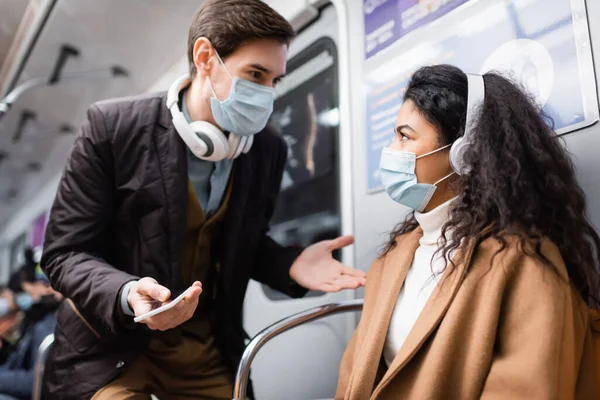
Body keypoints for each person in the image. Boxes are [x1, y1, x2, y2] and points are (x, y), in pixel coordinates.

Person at [41, 1, 366, 399]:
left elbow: (243, 242)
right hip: (112, 346)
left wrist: (289, 263)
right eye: (255, 74)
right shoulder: (114, 128)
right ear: (205, 57)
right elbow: (65, 252)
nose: (267, 94)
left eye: (275, 81)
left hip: (203, 346)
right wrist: (127, 293)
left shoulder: (266, 150)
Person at [336, 64, 600, 399]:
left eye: (405, 136)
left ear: (464, 152)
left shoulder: (522, 262)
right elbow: (354, 372)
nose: (391, 151)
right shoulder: (394, 256)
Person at [0, 267, 59, 400]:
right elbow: (14, 363)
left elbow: (34, 381)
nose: (38, 289)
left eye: (45, 284)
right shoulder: (35, 319)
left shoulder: (50, 325)